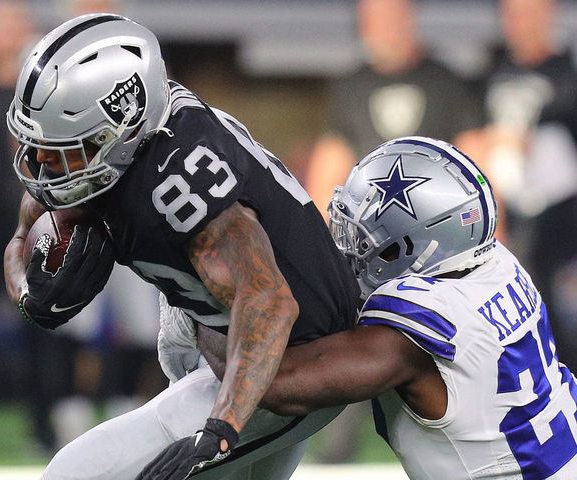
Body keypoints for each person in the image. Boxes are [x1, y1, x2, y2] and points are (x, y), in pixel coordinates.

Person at [3, 13, 360, 480]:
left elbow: (269, 303)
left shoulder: (177, 184)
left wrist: (220, 427)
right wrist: (25, 291)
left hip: (288, 359)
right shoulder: (129, 139)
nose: (44, 165)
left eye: (66, 149)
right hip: (213, 322)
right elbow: (34, 211)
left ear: (122, 130)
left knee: (75, 472)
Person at [184, 136, 577, 480]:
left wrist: (199, 313)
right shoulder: (495, 264)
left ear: (414, 246)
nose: (349, 246)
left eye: (366, 235)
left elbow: (277, 385)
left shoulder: (410, 333)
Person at [305, 0, 483, 223]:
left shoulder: (445, 82)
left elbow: (476, 167)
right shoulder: (351, 87)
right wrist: (325, 238)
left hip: (439, 225)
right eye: (374, 18)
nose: (385, 27)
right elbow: (327, 174)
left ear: (409, 15)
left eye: (392, 15)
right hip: (370, 232)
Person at [472, 0, 577, 373]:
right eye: (514, 12)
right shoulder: (489, 76)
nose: (522, 23)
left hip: (564, 227)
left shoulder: (568, 75)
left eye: (532, 11)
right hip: (508, 227)